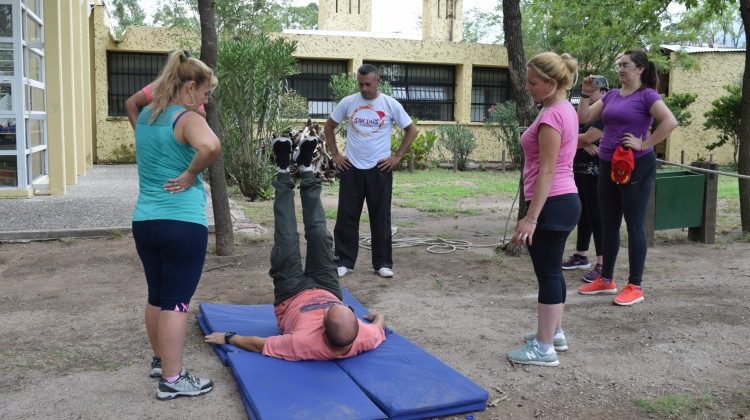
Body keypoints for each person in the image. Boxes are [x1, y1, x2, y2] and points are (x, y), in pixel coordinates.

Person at [204, 140, 386, 360]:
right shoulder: (364, 336)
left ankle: (283, 171)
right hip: (327, 286)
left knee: (287, 237)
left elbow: (258, 345)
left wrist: (228, 337)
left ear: (322, 327)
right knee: (320, 233)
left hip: (291, 295)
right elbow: (379, 326)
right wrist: (378, 316)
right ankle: (306, 169)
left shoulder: (302, 343)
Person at [131, 50, 220, 400]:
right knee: (178, 301)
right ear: (189, 87)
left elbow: (133, 106)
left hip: (146, 222)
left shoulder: (146, 119)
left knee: (157, 295)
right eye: (204, 93)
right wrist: (190, 173)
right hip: (182, 223)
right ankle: (172, 378)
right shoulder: (186, 119)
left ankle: (160, 360)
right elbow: (211, 146)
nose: (205, 101)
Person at [577, 49, 677, 306]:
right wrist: (586, 94)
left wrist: (645, 144)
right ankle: (607, 279)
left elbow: (670, 122)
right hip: (608, 163)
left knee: (633, 224)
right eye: (619, 65)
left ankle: (635, 285)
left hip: (636, 165)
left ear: (640, 69)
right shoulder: (611, 95)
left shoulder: (647, 95)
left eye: (626, 65)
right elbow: (585, 118)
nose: (621, 69)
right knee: (609, 221)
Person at [506, 52, 581, 367]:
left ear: (552, 83)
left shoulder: (551, 116)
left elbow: (548, 171)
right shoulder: (564, 109)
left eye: (533, 82)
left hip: (552, 203)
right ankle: (555, 332)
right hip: (564, 201)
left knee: (548, 273)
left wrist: (531, 218)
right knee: (553, 271)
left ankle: (544, 348)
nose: (528, 87)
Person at [323, 64, 419, 279]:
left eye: (368, 84)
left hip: (379, 169)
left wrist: (397, 156)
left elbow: (411, 129)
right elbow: (328, 126)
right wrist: (336, 155)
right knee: (346, 217)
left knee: (381, 218)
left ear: (378, 82)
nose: (364, 88)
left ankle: (382, 263)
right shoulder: (348, 102)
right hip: (352, 168)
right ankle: (344, 261)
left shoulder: (389, 104)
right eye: (360, 84)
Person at [561, 80, 609, 282]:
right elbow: (572, 133)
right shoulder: (580, 113)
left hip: (597, 172)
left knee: (598, 217)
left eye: (594, 91)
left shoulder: (607, 114)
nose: (589, 95)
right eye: (585, 92)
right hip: (578, 169)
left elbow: (586, 137)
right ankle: (581, 255)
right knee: (583, 214)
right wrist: (581, 143)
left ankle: (603, 263)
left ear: (604, 93)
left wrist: (582, 141)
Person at [125, 52, 207, 130]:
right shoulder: (159, 87)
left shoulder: (192, 90)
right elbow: (130, 103)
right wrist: (138, 131)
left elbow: (202, 115)